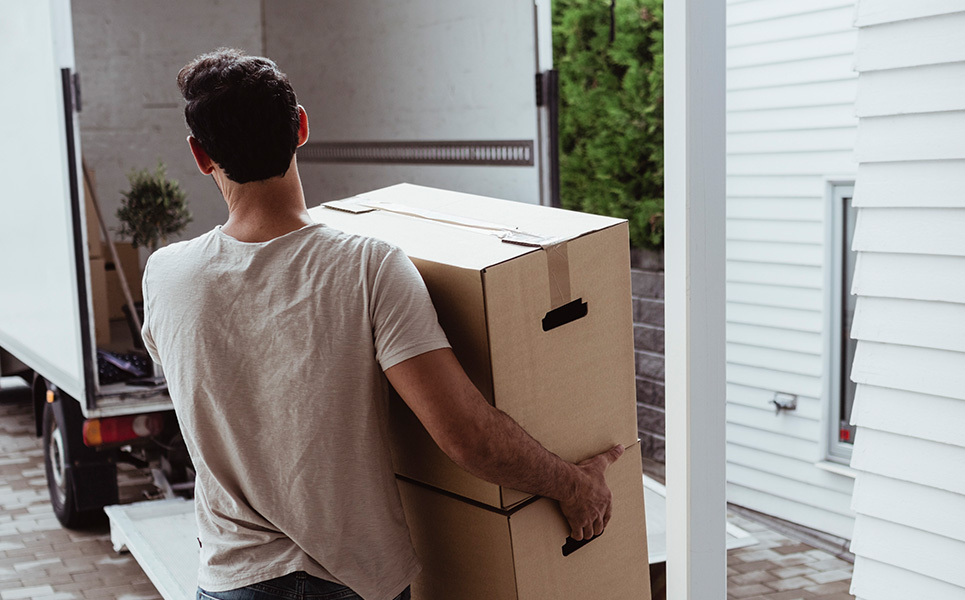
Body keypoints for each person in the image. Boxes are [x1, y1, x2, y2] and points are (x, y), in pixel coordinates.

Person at [140, 48, 624, 600]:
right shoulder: (367, 266)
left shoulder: (167, 276)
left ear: (201, 156)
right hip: (346, 585)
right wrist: (574, 485)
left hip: (229, 584)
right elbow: (465, 435)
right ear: (300, 126)